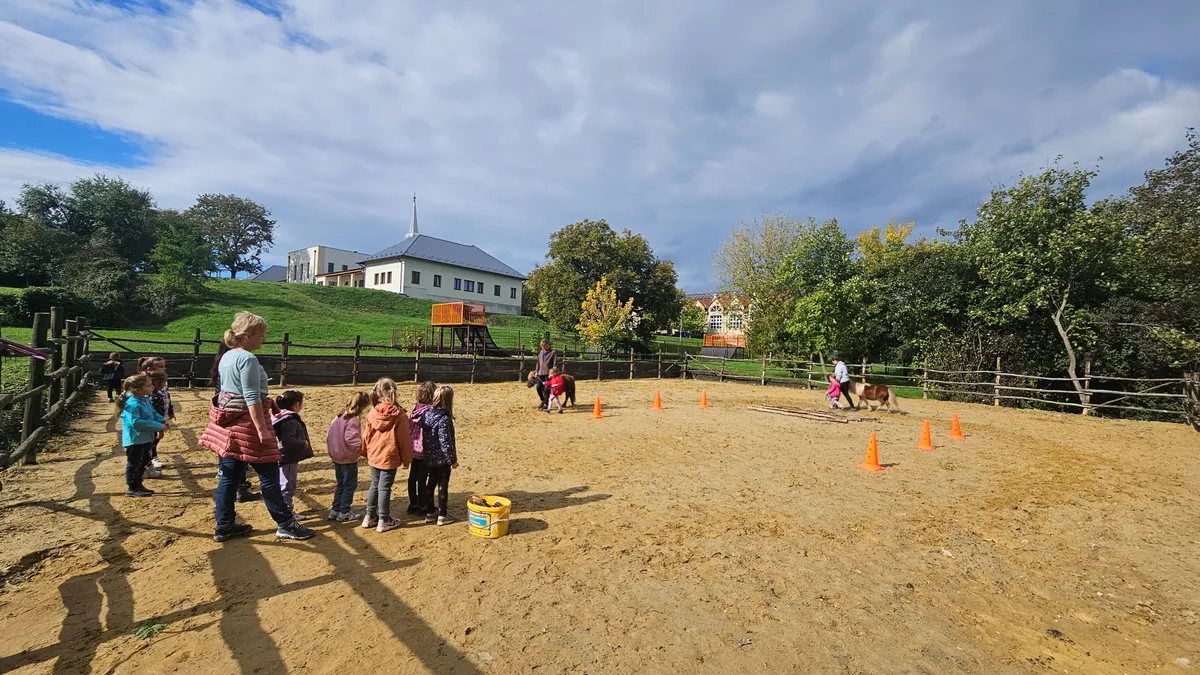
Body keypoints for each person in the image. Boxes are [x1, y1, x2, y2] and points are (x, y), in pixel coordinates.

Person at [199, 312, 315, 543]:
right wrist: (262, 429)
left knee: (229, 476)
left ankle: (224, 524)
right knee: (269, 477)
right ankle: (285, 524)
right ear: (248, 335)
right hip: (249, 425)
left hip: (232, 425)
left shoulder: (227, 356)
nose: (263, 339)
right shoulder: (248, 359)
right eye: (261, 335)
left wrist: (267, 402)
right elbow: (251, 396)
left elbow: (233, 391)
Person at [361, 377, 412, 533]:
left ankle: (370, 516)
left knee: (374, 485)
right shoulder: (400, 415)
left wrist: (365, 451)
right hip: (389, 456)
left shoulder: (372, 412)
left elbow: (366, 435)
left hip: (374, 454)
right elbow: (404, 440)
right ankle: (384, 519)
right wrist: (407, 459)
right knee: (384, 488)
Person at [209, 342, 258, 504]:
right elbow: (248, 391)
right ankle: (240, 488)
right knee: (238, 450)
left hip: (222, 406)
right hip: (237, 408)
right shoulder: (240, 360)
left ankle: (225, 473)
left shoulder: (223, 361)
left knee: (228, 447)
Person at [118, 374, 167, 498]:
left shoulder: (145, 400)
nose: (152, 387)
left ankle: (138, 484)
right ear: (138, 390)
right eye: (149, 386)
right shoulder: (133, 405)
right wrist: (158, 426)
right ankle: (132, 487)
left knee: (144, 461)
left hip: (145, 439)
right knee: (134, 464)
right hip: (135, 440)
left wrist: (161, 420)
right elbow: (136, 423)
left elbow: (153, 413)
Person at [326, 391, 369, 522]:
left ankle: (335, 509)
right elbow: (351, 439)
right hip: (348, 458)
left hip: (337, 456)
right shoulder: (352, 421)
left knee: (340, 484)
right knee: (349, 485)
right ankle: (344, 511)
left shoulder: (338, 417)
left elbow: (329, 435)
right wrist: (362, 450)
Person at [272, 389, 313, 522]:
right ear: (297, 404)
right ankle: (288, 512)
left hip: (282, 456)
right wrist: (304, 444)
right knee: (288, 485)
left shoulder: (279, 416)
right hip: (288, 457)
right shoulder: (290, 421)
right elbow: (288, 441)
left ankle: (284, 510)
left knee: (283, 484)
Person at [422, 385, 458, 526]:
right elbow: (445, 441)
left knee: (431, 483)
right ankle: (442, 515)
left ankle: (430, 512)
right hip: (442, 459)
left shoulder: (426, 414)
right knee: (443, 485)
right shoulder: (444, 419)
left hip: (429, 456)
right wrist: (452, 460)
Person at [407, 381, 437, 516]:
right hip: (425, 450)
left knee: (413, 477)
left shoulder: (415, 409)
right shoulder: (430, 411)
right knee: (422, 478)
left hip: (414, 448)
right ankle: (423, 506)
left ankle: (413, 504)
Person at [142, 357, 175, 471]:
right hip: (151, 416)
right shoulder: (146, 383)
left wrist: (170, 410)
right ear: (149, 369)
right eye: (160, 367)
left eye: (164, 366)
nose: (163, 369)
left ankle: (151, 458)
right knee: (152, 437)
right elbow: (154, 403)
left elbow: (166, 395)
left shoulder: (162, 380)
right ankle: (151, 458)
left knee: (154, 438)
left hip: (159, 413)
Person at [143, 371, 169, 479]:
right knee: (148, 447)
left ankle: (148, 468)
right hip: (152, 426)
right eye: (164, 382)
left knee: (149, 446)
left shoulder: (154, 395)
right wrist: (159, 428)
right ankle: (146, 469)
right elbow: (153, 413)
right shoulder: (152, 397)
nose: (165, 384)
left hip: (154, 424)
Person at [534, 340, 558, 409]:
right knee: (538, 387)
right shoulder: (541, 352)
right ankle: (542, 400)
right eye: (542, 346)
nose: (543, 347)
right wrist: (536, 371)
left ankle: (546, 403)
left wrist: (553, 373)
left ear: (548, 345)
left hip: (548, 374)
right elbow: (538, 362)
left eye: (544, 346)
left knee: (546, 389)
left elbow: (555, 363)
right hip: (540, 373)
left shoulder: (553, 352)